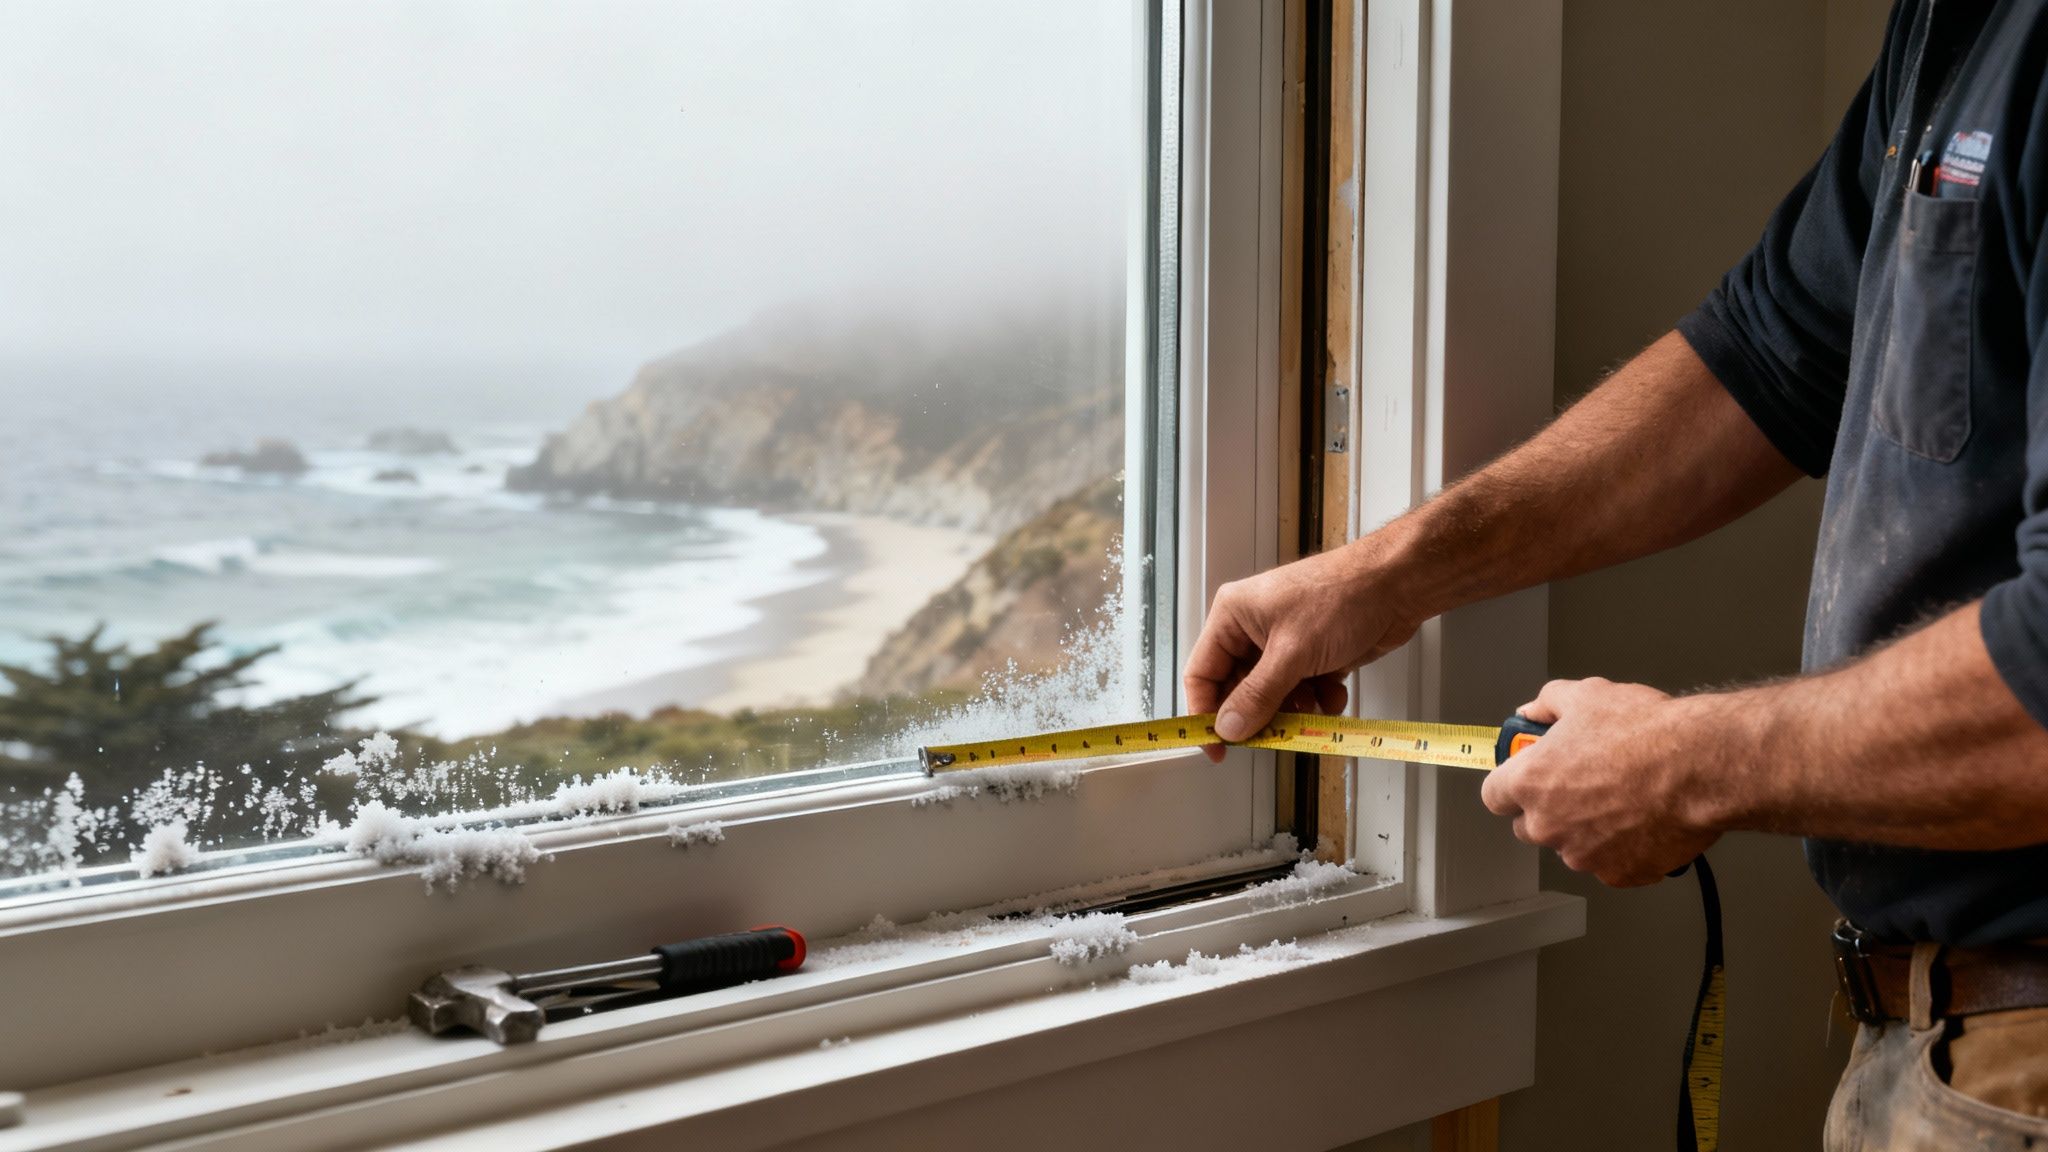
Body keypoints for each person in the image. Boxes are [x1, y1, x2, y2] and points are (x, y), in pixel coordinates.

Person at [1183, 2, 2048, 1146]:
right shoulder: (1949, 27)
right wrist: (1384, 575)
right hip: (1931, 1040)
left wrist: (1684, 764)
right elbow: (1768, 354)